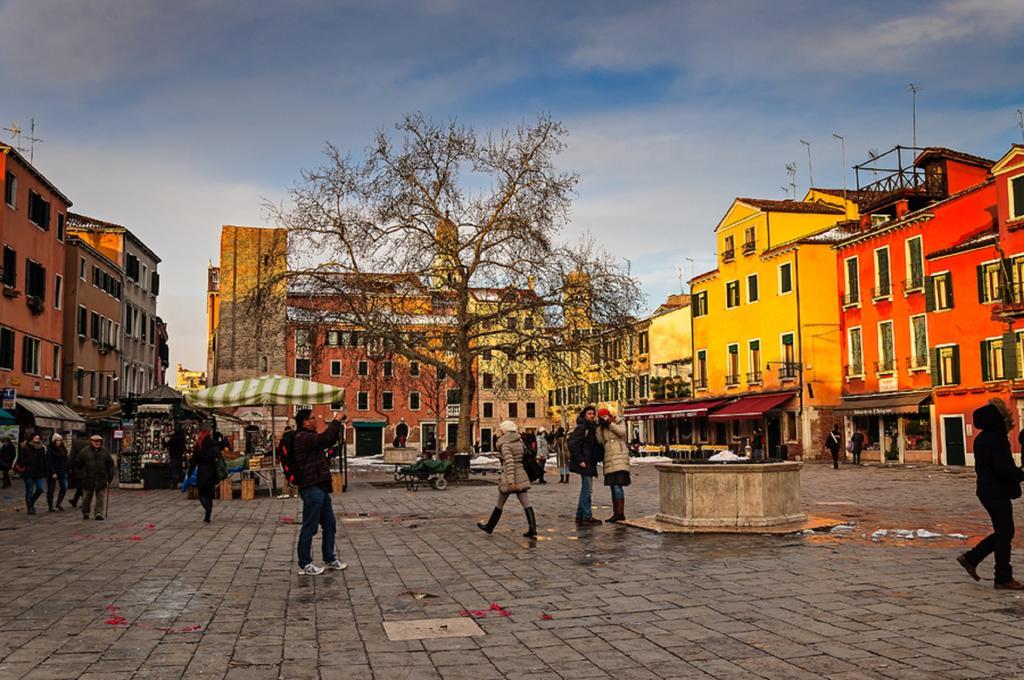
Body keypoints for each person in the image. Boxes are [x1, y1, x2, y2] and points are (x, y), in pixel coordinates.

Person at [957, 399, 1024, 589]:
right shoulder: (997, 439)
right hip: (996, 491)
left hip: (987, 490)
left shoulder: (982, 438)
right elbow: (1003, 468)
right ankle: (1001, 576)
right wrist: (1020, 474)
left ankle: (972, 559)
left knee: (1004, 532)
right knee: (1005, 533)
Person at [292, 410, 346, 575]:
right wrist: (336, 420)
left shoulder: (310, 437)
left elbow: (327, 442)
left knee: (330, 524)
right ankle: (305, 563)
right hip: (311, 487)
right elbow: (325, 439)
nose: (315, 420)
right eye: (312, 418)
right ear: (305, 422)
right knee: (310, 527)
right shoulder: (303, 437)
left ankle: (329, 557)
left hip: (321, 487)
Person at [477, 420, 536, 537]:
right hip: (521, 474)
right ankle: (532, 528)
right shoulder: (519, 441)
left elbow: (510, 463)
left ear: (504, 430)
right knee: (526, 503)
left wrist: (510, 481)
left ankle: (489, 527)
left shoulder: (505, 444)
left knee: (500, 503)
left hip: (511, 476)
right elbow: (522, 455)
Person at [567, 406, 602, 525]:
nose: (592, 416)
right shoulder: (582, 428)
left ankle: (580, 514)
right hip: (585, 462)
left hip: (589, 461)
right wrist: (580, 459)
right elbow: (573, 444)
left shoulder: (591, 427)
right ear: (584, 415)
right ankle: (587, 516)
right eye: (589, 414)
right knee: (587, 489)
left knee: (585, 489)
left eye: (593, 413)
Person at [596, 409, 630, 523]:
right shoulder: (602, 427)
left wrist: (610, 424)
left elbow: (622, 433)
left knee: (617, 485)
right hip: (609, 457)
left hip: (619, 456)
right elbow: (600, 440)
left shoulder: (618, 421)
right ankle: (616, 513)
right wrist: (599, 427)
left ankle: (620, 513)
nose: (604, 418)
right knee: (612, 486)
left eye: (605, 416)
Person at [74, 435, 114, 520]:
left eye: (99, 441)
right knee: (86, 498)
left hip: (101, 478)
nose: (98, 443)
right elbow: (77, 464)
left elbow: (110, 464)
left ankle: (98, 513)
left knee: (100, 498)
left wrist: (110, 475)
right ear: (91, 441)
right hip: (88, 478)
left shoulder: (105, 451)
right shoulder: (84, 451)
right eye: (96, 441)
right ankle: (85, 512)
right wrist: (80, 475)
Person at [189, 430, 222, 523]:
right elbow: (219, 458)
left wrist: (190, 472)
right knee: (209, 494)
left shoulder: (199, 446)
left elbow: (194, 461)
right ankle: (208, 513)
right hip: (212, 472)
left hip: (202, 471)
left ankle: (207, 508)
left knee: (201, 494)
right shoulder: (214, 445)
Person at [20, 433, 47, 515]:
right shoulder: (26, 447)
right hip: (28, 472)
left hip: (39, 472)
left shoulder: (42, 448)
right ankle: (30, 508)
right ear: (32, 438)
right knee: (29, 490)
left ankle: (31, 502)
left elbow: (44, 460)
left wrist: (45, 470)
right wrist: (28, 461)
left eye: (38, 438)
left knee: (40, 489)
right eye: (35, 438)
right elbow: (20, 460)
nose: (37, 439)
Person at [46, 434, 70, 512]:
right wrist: (53, 472)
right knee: (51, 489)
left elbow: (66, 459)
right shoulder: (50, 449)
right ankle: (50, 505)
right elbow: (49, 461)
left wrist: (67, 469)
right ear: (54, 441)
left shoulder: (63, 448)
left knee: (64, 487)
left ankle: (59, 503)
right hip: (53, 471)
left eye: (60, 440)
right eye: (57, 440)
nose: (59, 442)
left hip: (62, 471)